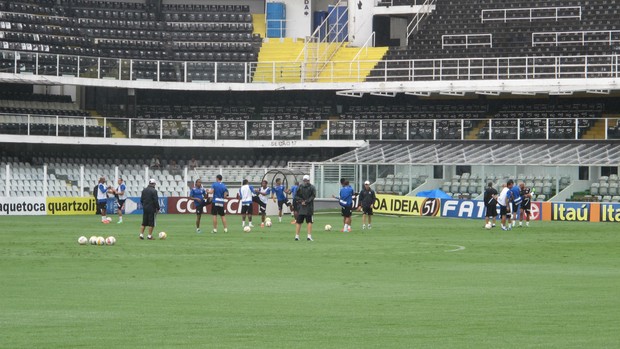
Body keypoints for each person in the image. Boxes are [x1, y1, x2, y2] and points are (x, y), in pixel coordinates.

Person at [294, 174, 316, 241]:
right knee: (309, 222)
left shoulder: (299, 187)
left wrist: (301, 201)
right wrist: (306, 201)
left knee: (299, 222)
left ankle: (297, 236)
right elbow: (313, 196)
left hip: (301, 208)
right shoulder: (312, 187)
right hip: (309, 207)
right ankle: (309, 236)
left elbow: (296, 196)